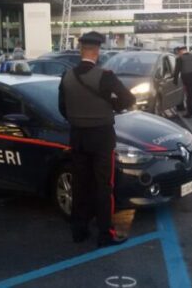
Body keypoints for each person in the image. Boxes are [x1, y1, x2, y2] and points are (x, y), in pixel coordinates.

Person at [58, 31, 136, 248]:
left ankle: (79, 231)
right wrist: (112, 106)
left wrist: (77, 119)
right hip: (101, 138)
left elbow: (62, 108)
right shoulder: (106, 76)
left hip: (77, 136)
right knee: (104, 186)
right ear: (97, 51)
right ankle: (105, 233)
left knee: (80, 184)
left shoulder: (67, 76)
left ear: (81, 50)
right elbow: (129, 99)